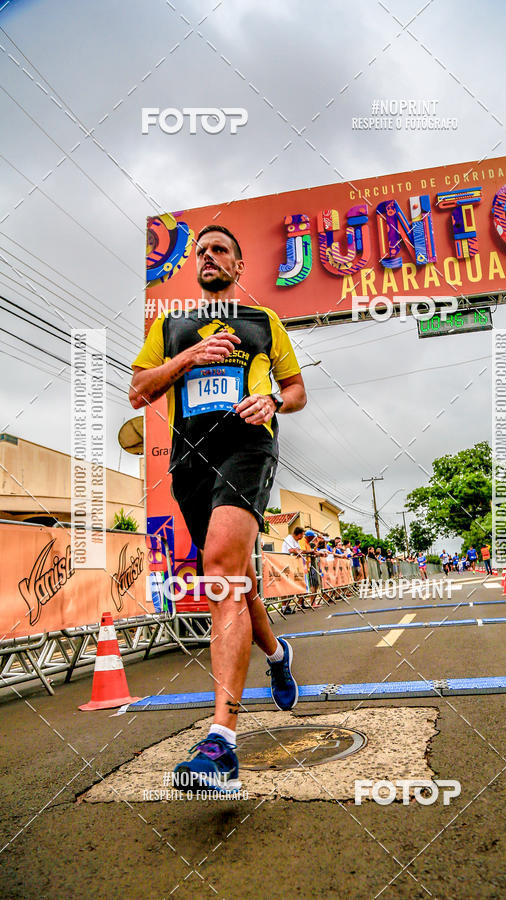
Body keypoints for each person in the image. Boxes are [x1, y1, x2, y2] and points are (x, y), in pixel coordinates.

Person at [129, 224, 307, 792]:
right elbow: (138, 390)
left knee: (222, 573)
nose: (208, 256)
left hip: (248, 447)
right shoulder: (170, 327)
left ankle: (221, 743)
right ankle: (276, 654)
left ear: (238, 265)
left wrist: (273, 400)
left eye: (220, 250)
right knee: (235, 578)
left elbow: (297, 390)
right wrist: (188, 358)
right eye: (201, 251)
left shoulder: (264, 322)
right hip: (191, 459)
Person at [281, 526, 305, 614]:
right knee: (286, 586)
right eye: (302, 535)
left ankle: (287, 605)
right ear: (298, 534)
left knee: (291, 586)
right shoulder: (289, 539)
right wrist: (298, 551)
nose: (302, 537)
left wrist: (299, 551)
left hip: (292, 565)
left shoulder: (296, 541)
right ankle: (284, 606)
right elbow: (291, 550)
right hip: (286, 564)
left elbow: (298, 550)